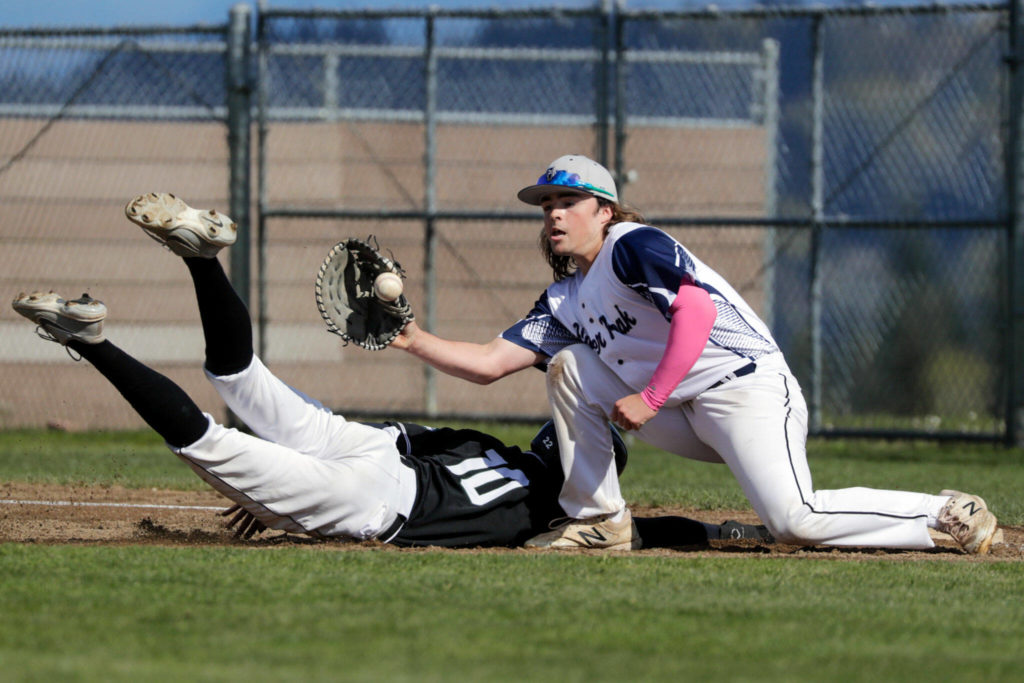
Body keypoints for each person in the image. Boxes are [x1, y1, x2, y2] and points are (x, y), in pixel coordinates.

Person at [10, 192, 769, 549]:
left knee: (241, 379)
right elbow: (659, 529)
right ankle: (93, 343)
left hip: (374, 447)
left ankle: (204, 262)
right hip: (380, 499)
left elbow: (418, 432)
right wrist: (728, 528)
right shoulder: (563, 514)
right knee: (214, 447)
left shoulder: (491, 446)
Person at [391, 154, 1000, 554]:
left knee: (794, 522)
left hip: (747, 389)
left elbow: (698, 312)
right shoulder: (564, 298)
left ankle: (946, 513)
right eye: (546, 204)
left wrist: (650, 396)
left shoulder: (631, 245)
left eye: (567, 201)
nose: (553, 213)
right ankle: (602, 520)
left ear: (604, 210)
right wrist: (411, 337)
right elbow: (491, 364)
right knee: (569, 364)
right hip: (681, 412)